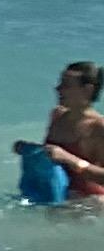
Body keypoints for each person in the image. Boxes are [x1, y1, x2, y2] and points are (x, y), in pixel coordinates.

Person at [44, 62, 104, 199]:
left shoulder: (98, 127)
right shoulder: (57, 115)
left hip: (87, 204)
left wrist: (70, 159)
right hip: (56, 196)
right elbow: (53, 155)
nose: (58, 89)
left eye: (66, 85)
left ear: (87, 90)